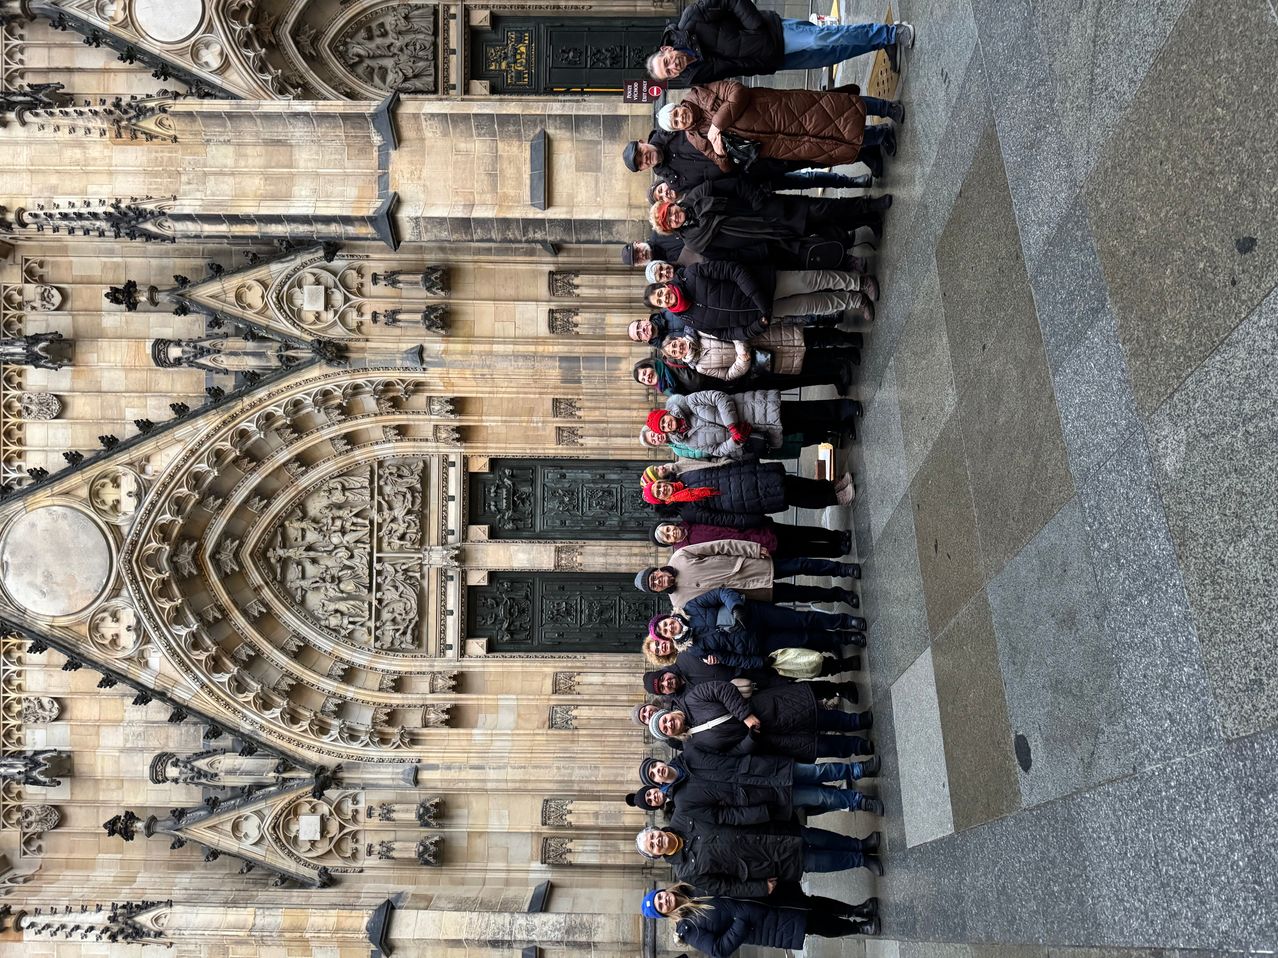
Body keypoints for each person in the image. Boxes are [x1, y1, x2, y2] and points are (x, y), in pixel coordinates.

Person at [646, 0, 914, 87]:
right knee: (831, 55)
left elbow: (730, 1)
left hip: (772, 34)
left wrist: (755, 26)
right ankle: (880, 42)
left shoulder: (691, 18)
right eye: (668, 72)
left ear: (666, 49)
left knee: (825, 37)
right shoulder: (694, 75)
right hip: (770, 60)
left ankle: (890, 33)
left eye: (667, 62)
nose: (673, 66)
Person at [657, 82, 903, 177]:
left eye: (677, 113)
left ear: (679, 105)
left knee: (836, 109)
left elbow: (737, 92)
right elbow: (726, 166)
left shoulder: (700, 93)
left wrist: (718, 124)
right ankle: (879, 136)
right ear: (678, 129)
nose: (681, 118)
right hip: (775, 144)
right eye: (677, 122)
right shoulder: (695, 138)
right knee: (831, 142)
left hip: (778, 108)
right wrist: (720, 153)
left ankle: (886, 108)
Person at [652, 178, 890, 259]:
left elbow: (735, 185)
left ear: (671, 204)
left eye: (670, 212)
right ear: (671, 229)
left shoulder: (697, 195)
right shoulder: (694, 242)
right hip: (770, 235)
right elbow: (730, 254)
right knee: (824, 227)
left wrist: (758, 199)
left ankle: (870, 204)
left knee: (823, 208)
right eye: (670, 221)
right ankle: (867, 218)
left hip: (769, 209)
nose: (674, 216)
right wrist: (763, 248)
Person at [628, 744, 882, 819]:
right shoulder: (682, 801)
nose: (657, 773)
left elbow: (729, 749)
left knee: (817, 772)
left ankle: (859, 769)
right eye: (652, 777)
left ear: (659, 762)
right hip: (758, 796)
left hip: (763, 769)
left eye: (654, 767)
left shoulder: (690, 753)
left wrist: (753, 749)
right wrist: (755, 813)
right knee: (820, 798)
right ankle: (859, 801)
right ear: (656, 785)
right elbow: (722, 815)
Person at [649, 678, 873, 759]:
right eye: (666, 729)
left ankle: (858, 722)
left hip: (769, 708)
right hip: (769, 739)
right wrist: (750, 739)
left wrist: (745, 716)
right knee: (817, 745)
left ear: (667, 713)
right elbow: (732, 752)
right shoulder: (696, 743)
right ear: (671, 735)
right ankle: (858, 746)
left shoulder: (692, 699)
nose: (669, 724)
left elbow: (722, 689)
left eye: (665, 720)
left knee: (817, 717)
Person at [636, 820, 885, 888]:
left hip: (760, 831)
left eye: (654, 836)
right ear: (657, 855)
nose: (658, 841)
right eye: (654, 846)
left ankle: (860, 844)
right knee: (812, 862)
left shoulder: (683, 817)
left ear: (657, 829)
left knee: (810, 836)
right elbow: (725, 886)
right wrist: (757, 888)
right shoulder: (686, 871)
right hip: (757, 863)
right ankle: (861, 860)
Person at [648, 585, 864, 662]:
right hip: (756, 643)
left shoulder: (691, 608)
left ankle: (844, 621)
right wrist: (756, 660)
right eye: (664, 632)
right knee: (802, 639)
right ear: (667, 637)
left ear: (668, 617)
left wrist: (736, 608)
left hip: (754, 616)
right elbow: (727, 657)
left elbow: (720, 593)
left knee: (802, 619)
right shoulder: (692, 648)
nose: (668, 628)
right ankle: (844, 638)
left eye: (664, 624)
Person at [645, 884, 880, 954]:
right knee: (813, 924)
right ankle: (858, 927)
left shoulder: (690, 886)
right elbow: (718, 950)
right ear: (663, 913)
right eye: (660, 906)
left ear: (664, 891)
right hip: (762, 924)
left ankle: (856, 909)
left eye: (660, 897)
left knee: (812, 903)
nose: (664, 901)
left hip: (766, 898)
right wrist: (740, 921)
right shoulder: (687, 929)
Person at [632, 538, 859, 609]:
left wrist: (751, 549)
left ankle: (841, 569)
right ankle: (838, 595)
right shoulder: (679, 602)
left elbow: (720, 546)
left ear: (658, 570)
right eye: (655, 585)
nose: (659, 581)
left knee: (800, 565)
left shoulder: (680, 555)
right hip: (752, 594)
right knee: (799, 593)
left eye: (655, 577)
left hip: (749, 566)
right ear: (659, 590)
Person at [644, 258, 876, 326]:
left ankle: (859, 283)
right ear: (663, 307)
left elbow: (731, 268)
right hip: (762, 312)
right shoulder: (689, 319)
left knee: (812, 280)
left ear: (665, 286)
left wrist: (757, 298)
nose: (665, 298)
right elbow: (726, 332)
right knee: (814, 305)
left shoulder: (692, 274)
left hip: (765, 283)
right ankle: (856, 301)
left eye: (661, 293)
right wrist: (754, 327)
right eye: (661, 302)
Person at [640, 391, 863, 459]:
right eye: (663, 427)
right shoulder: (690, 440)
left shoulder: (689, 402)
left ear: (666, 413)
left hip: (755, 409)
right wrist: (734, 441)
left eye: (664, 420)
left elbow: (720, 398)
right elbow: (716, 451)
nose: (667, 424)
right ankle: (839, 428)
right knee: (800, 431)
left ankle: (845, 407)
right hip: (754, 433)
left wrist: (732, 425)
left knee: (806, 412)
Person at [644, 460, 856, 523]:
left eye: (659, 485)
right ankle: (837, 498)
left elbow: (719, 469)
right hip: (749, 500)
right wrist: (747, 518)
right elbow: (720, 519)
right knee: (796, 497)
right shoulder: (686, 510)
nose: (662, 488)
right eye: (659, 492)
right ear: (663, 501)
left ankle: (832, 486)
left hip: (749, 476)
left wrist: (747, 466)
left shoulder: (684, 477)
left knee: (795, 482)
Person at [657, 327, 864, 390]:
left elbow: (727, 330)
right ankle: (845, 355)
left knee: (810, 338)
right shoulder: (700, 367)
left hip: (762, 337)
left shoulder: (701, 331)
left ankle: (848, 337)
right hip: (760, 358)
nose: (678, 348)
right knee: (807, 360)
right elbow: (728, 375)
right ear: (679, 357)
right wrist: (743, 360)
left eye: (675, 344)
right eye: (675, 351)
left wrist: (740, 347)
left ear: (677, 338)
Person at [651, 516, 854, 561]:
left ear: (670, 524)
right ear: (669, 542)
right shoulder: (685, 550)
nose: (671, 533)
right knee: (800, 550)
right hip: (751, 546)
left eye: (668, 529)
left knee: (800, 532)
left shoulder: (690, 519)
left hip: (752, 526)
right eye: (667, 537)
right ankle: (835, 551)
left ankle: (836, 536)